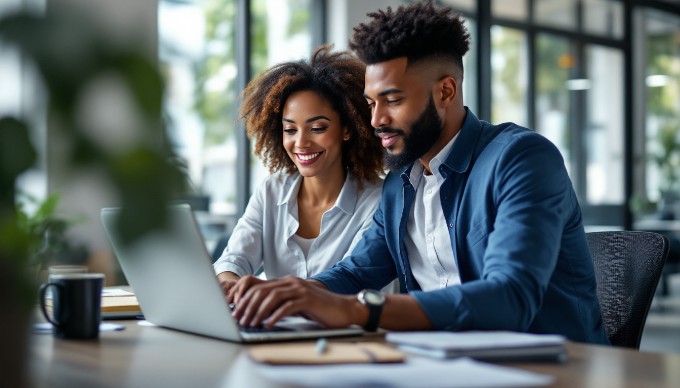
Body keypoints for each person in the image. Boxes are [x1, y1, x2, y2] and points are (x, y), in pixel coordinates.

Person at [230, 2, 609, 345]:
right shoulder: (401, 183)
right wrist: (289, 295)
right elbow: (355, 273)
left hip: (549, 370)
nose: (376, 120)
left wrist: (361, 310)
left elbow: (510, 297)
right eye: (371, 103)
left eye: (393, 100)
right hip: (441, 363)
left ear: (446, 91)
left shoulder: (521, 159)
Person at [213, 45, 384, 299]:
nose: (301, 143)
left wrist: (267, 292)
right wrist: (229, 282)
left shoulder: (377, 200)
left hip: (348, 333)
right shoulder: (272, 190)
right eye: (290, 130)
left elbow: (352, 280)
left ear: (347, 130)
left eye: (317, 128)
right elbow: (233, 259)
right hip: (276, 330)